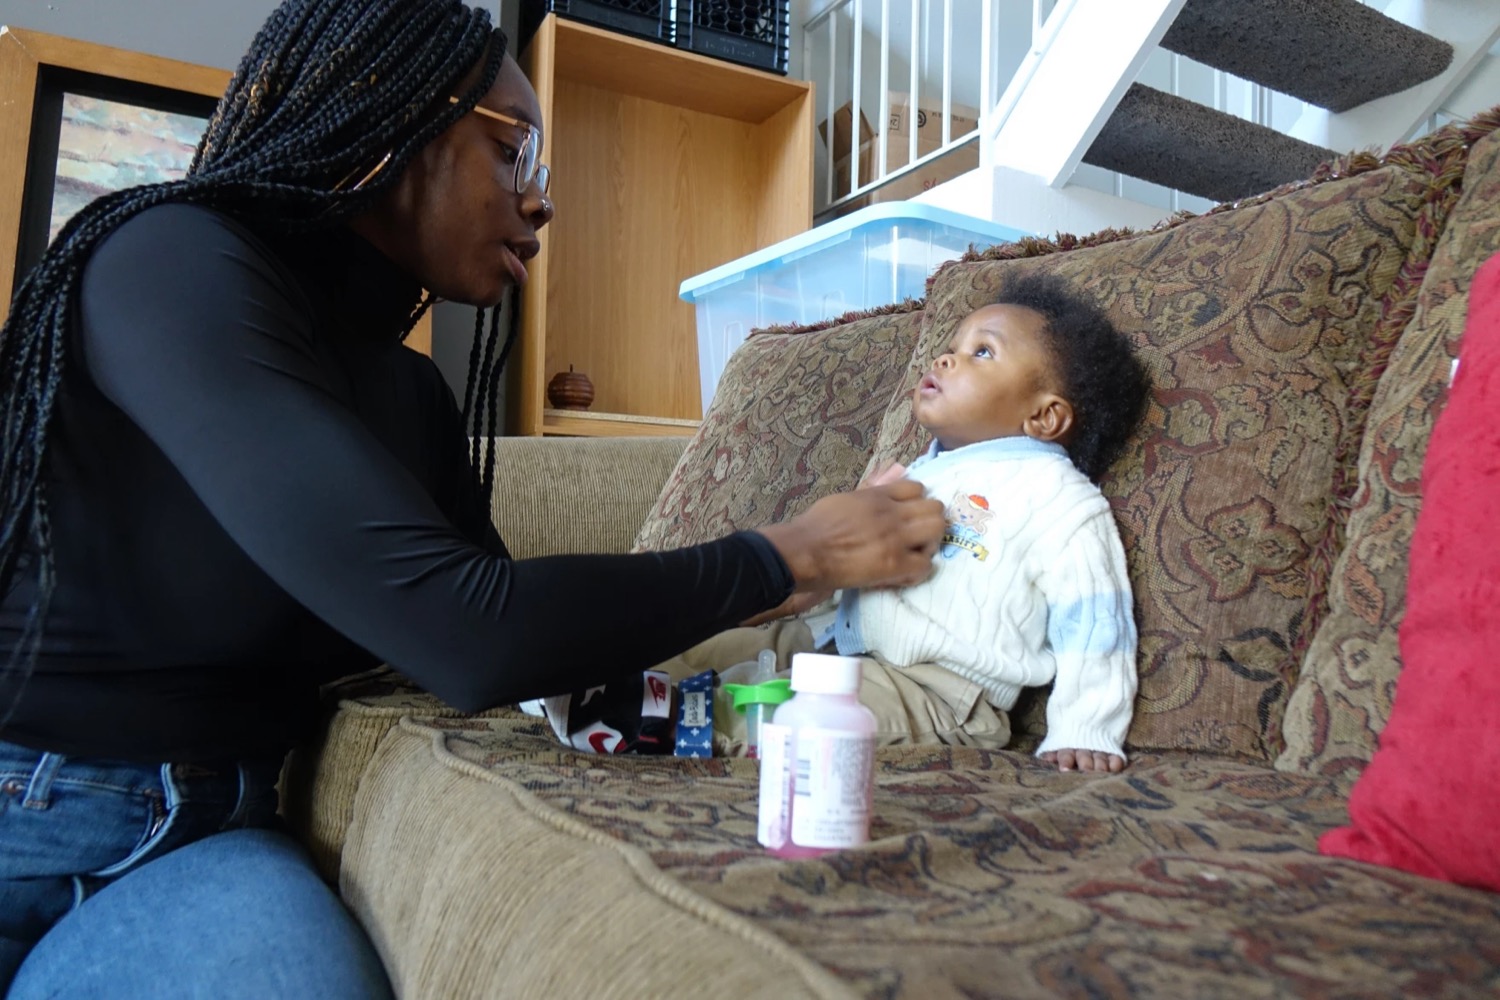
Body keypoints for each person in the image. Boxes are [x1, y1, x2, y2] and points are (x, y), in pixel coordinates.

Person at [0, 0, 946, 994]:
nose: (539, 202)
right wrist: (793, 553)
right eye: (512, 152)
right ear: (386, 119)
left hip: (213, 831)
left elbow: (529, 641)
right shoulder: (168, 260)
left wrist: (748, 706)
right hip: (30, 803)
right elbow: (470, 633)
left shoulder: (408, 394)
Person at [635, 273, 1149, 772]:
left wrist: (1085, 728)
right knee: (705, 645)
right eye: (952, 345)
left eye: (982, 352)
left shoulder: (1057, 496)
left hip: (938, 692)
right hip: (829, 644)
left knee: (786, 711)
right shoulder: (923, 470)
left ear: (1044, 417)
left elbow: (1096, 619)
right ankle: (605, 679)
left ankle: (658, 722)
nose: (945, 358)